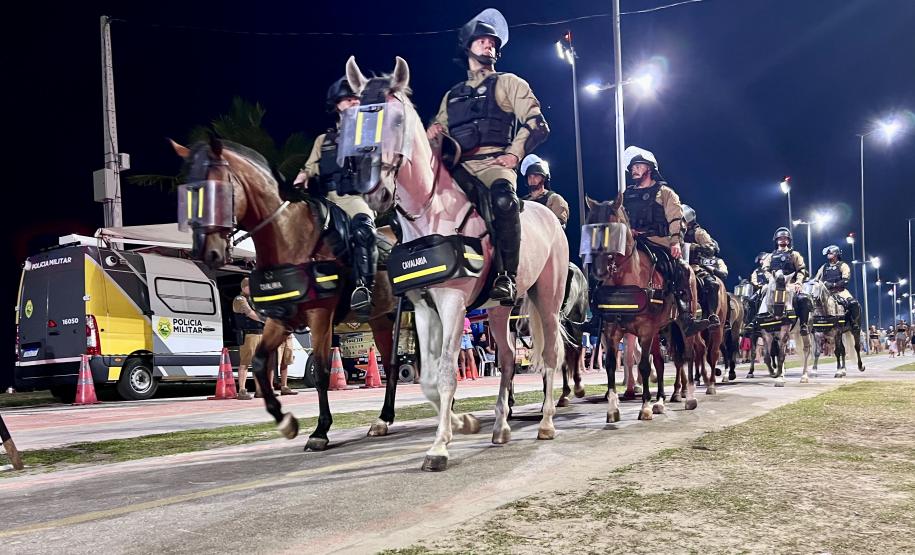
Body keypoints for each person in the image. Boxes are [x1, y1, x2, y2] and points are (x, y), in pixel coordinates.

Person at [427, 8, 550, 304]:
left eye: (493, 43)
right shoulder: (452, 95)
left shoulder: (509, 83)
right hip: (459, 168)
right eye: (483, 41)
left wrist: (514, 154)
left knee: (504, 201)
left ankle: (506, 276)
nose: (489, 45)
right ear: (468, 46)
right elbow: (436, 134)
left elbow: (537, 124)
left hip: (494, 164)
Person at [293, 77, 378, 319]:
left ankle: (363, 288)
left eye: (356, 99)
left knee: (364, 231)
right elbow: (311, 167)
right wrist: (304, 175)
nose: (352, 102)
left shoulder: (368, 134)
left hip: (354, 198)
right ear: (337, 104)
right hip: (324, 199)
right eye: (347, 99)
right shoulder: (324, 140)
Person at [620, 146, 711, 336]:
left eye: (638, 166)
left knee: (682, 270)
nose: (634, 170)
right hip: (633, 242)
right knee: (606, 265)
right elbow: (620, 217)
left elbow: (675, 218)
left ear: (649, 168)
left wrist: (675, 242)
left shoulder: (665, 192)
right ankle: (600, 314)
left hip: (657, 241)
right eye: (633, 167)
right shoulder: (626, 195)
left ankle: (687, 317)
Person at [682, 203, 727, 329]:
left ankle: (711, 315)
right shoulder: (672, 231)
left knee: (712, 284)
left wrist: (696, 247)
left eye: (682, 220)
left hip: (694, 266)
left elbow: (711, 247)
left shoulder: (698, 233)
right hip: (675, 264)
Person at [760, 227, 811, 334]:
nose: (783, 240)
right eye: (780, 238)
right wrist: (770, 279)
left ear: (788, 240)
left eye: (785, 238)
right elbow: (765, 269)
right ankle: (754, 323)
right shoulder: (770, 256)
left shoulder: (794, 255)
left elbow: (801, 270)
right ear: (776, 240)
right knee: (754, 299)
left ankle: (803, 325)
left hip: (790, 284)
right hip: (773, 284)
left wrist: (798, 283)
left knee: (804, 299)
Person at [232, 277, 263, 400]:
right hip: (249, 335)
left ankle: (259, 390)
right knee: (245, 362)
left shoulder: (253, 299)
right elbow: (249, 313)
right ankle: (242, 390)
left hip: (259, 334)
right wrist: (265, 319)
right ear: (245, 287)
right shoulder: (239, 300)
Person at [519, 154, 569, 228]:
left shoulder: (554, 199)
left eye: (536, 176)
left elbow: (559, 227)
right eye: (530, 176)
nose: (532, 180)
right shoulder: (524, 201)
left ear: (543, 178)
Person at [813, 245, 859, 316]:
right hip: (826, 293)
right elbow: (816, 279)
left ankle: (854, 325)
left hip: (840, 292)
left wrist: (833, 284)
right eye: (827, 254)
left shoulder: (843, 265)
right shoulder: (824, 267)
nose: (828, 255)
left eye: (830, 253)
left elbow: (845, 280)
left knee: (853, 303)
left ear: (836, 254)